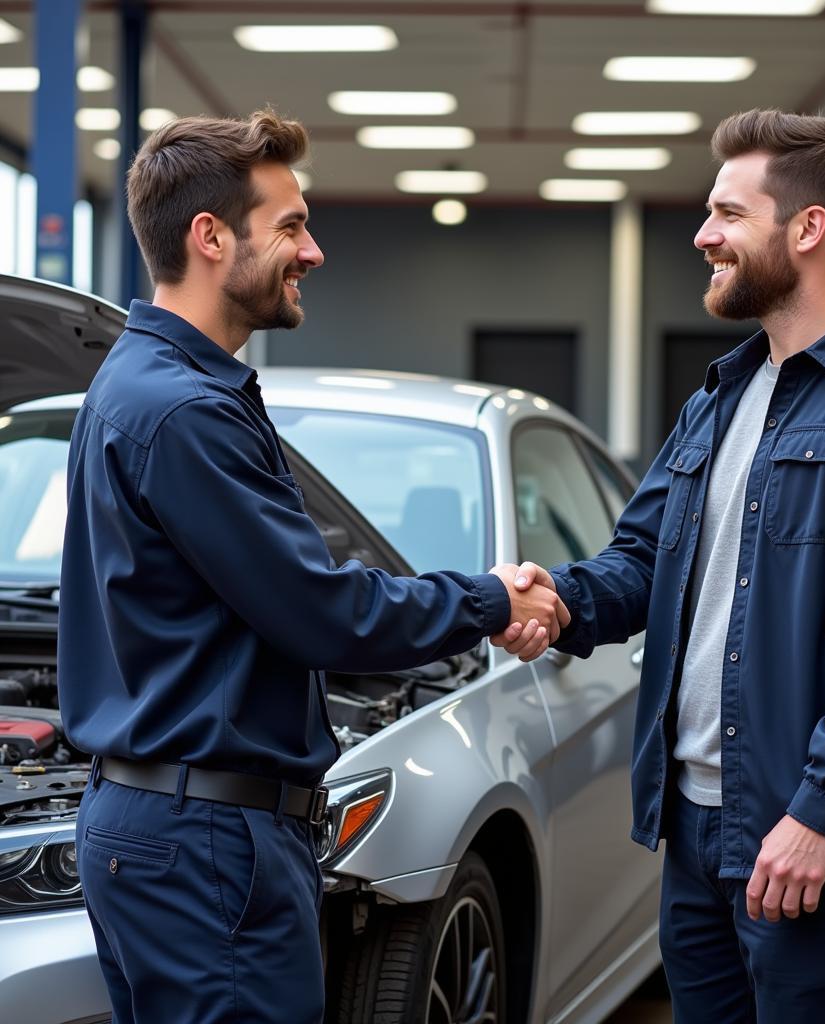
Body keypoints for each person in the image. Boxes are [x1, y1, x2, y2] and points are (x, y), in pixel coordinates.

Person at [57, 109, 566, 1024]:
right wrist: (491, 599)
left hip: (168, 826)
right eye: (290, 225)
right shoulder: (183, 412)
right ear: (210, 238)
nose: (314, 251)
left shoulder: (146, 388)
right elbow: (322, 611)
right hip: (207, 841)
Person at [495, 109, 825, 1023]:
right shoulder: (722, 397)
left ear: (807, 229)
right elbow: (645, 558)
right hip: (695, 829)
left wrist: (824, 812)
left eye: (728, 213)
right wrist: (556, 600)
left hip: (823, 839)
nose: (703, 234)